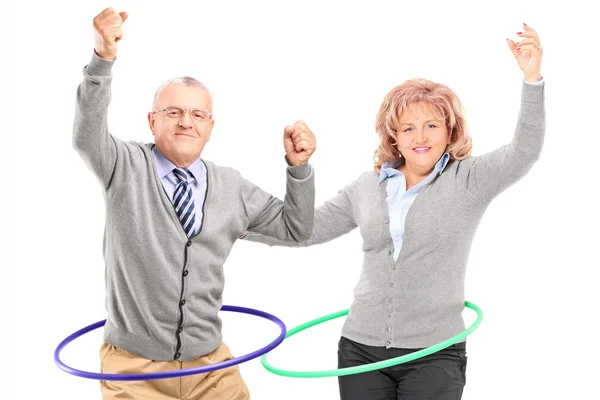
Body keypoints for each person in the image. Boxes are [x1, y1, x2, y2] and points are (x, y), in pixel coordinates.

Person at [241, 23, 545, 400]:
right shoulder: (367, 187)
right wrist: (235, 225)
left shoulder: (469, 180)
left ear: (450, 132)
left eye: (432, 125)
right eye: (409, 128)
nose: (421, 138)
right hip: (359, 348)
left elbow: (524, 152)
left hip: (434, 354)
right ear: (394, 136)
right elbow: (305, 230)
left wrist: (533, 79)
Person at [72, 7, 317, 400]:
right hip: (135, 368)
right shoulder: (124, 164)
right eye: (174, 112)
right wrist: (102, 58)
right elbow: (86, 133)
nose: (187, 121)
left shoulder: (231, 186)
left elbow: (297, 229)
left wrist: (299, 168)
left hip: (210, 367)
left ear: (210, 127)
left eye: (197, 114)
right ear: (153, 121)